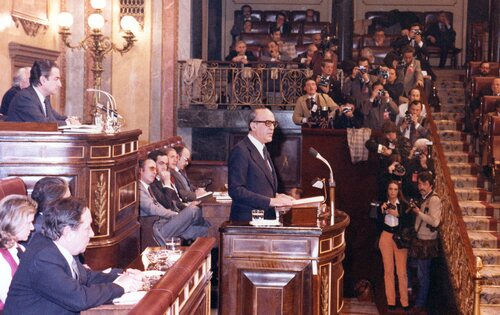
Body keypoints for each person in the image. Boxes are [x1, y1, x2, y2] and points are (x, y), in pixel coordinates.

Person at [4, 197, 144, 314]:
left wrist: (122, 276)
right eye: (87, 228)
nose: (92, 234)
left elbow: (86, 277)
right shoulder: (43, 257)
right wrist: (120, 287)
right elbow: (79, 298)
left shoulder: (58, 247)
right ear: (67, 232)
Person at [228, 108, 294, 221]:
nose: (272, 127)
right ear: (253, 126)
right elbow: (236, 190)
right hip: (247, 222)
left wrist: (276, 196)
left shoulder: (263, 150)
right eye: (267, 123)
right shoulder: (241, 150)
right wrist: (271, 201)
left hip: (264, 220)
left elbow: (258, 186)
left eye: (273, 123)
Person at [139, 158, 208, 244]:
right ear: (141, 170)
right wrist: (176, 215)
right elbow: (153, 209)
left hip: (166, 223)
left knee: (206, 230)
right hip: (157, 230)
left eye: (155, 169)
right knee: (193, 210)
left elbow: (161, 206)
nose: (155, 172)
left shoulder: (148, 187)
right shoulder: (138, 190)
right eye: (151, 168)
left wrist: (179, 216)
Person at [6, 60, 80, 126]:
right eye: (56, 79)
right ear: (43, 80)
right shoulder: (24, 98)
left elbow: (56, 117)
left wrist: (71, 119)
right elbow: (43, 124)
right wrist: (69, 123)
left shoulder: (43, 97)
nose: (60, 84)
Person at [409, 172, 442, 314]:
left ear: (431, 185)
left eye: (424, 184)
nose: (421, 187)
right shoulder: (423, 198)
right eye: (419, 184)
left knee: (423, 274)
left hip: (427, 242)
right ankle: (415, 295)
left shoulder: (434, 200)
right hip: (419, 240)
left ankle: (420, 303)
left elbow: (435, 221)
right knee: (413, 267)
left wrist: (418, 213)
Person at [378, 181, 411, 312]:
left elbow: (410, 222)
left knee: (402, 272)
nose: (392, 192)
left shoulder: (403, 204)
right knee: (388, 271)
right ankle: (390, 301)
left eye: (395, 189)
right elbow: (376, 221)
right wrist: (381, 211)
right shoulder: (383, 203)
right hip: (386, 236)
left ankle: (404, 302)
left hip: (400, 237)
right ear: (387, 190)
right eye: (390, 189)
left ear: (399, 191)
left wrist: (399, 215)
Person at [0, 195, 37, 310]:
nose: (32, 228)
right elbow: (12, 302)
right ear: (13, 222)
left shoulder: (19, 248)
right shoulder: (1, 259)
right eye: (29, 222)